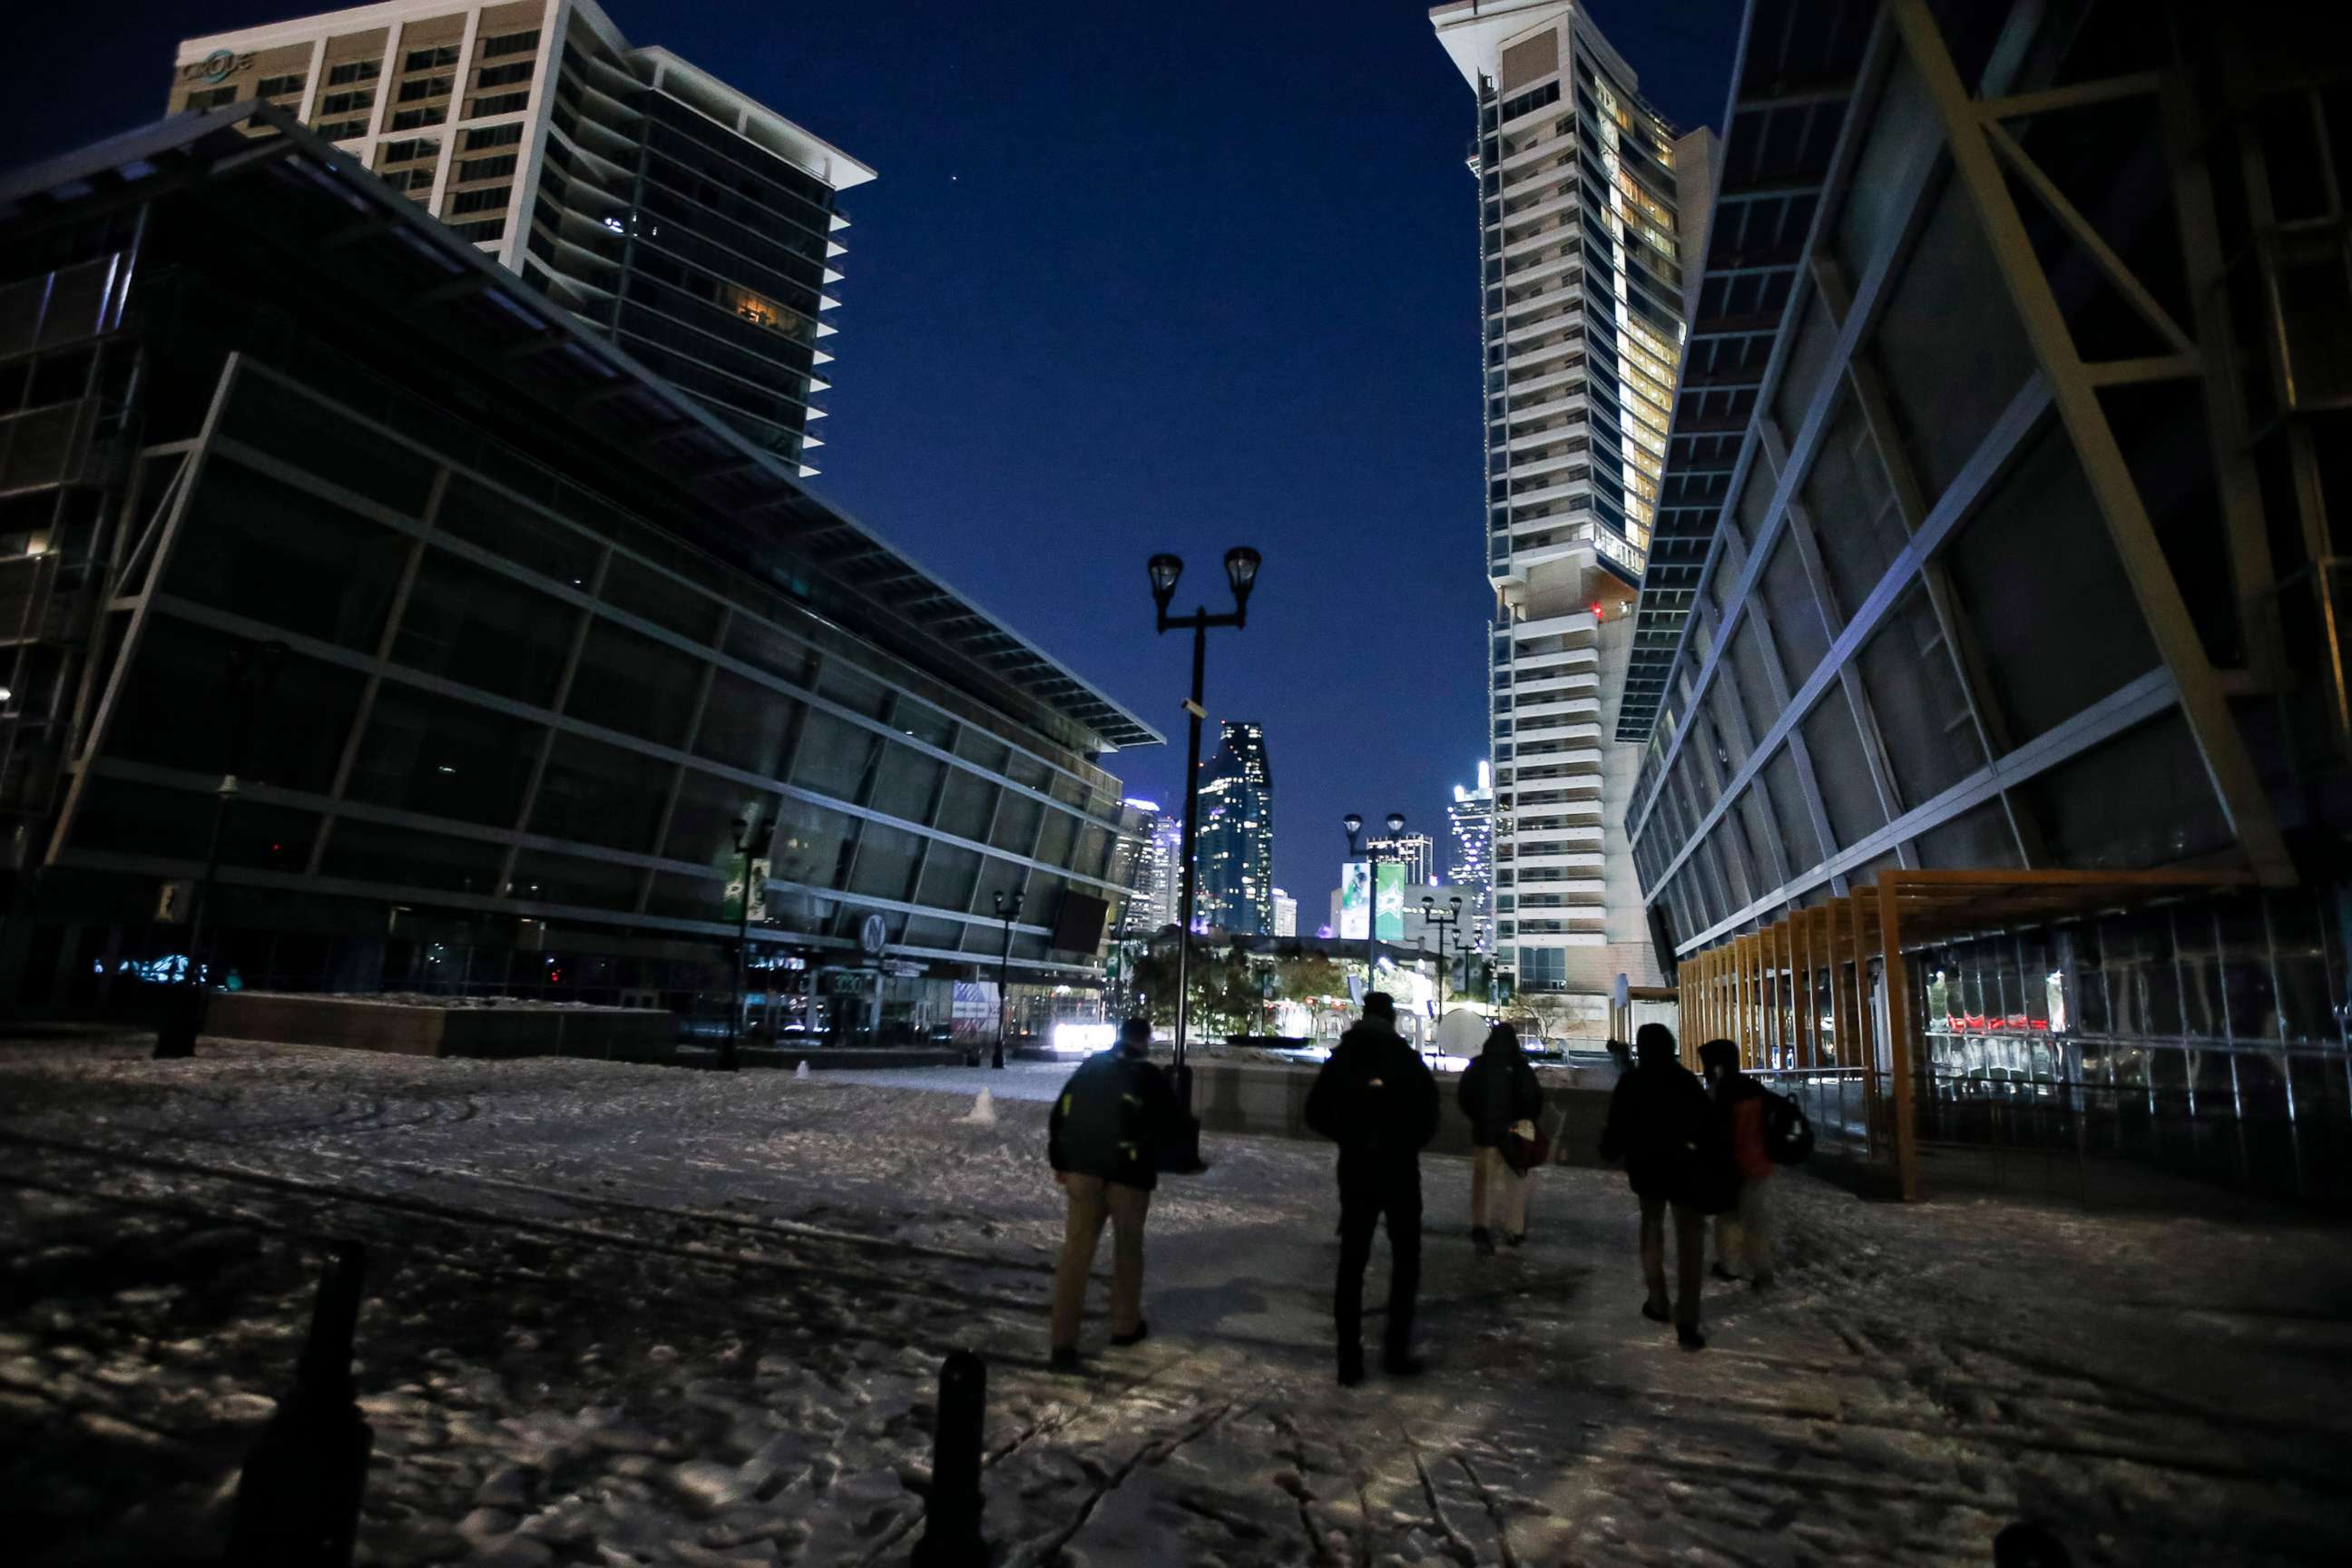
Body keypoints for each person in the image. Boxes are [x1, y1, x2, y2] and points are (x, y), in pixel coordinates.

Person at [1304, 991, 1439, 1387]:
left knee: (1352, 1264)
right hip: (1399, 1170)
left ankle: (1350, 1360)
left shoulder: (1344, 1058)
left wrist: (1351, 1137)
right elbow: (1430, 1112)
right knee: (1405, 1262)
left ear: (1364, 1015)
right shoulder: (1405, 1059)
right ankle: (1395, 1351)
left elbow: (1314, 1112)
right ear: (1392, 1017)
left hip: (1357, 1170)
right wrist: (1403, 1141)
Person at [1046, 1016, 1179, 1369]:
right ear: (1145, 1041)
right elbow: (1171, 1123)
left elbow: (1059, 1113)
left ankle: (1062, 1342)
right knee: (1128, 1247)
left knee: (1076, 1252)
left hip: (1081, 1169)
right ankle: (1124, 1325)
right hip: (1129, 1174)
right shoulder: (1147, 1075)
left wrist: (1060, 1161)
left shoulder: (1091, 1067)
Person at [1597, 1022, 1724, 1350]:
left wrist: (1610, 1150)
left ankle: (1657, 1299)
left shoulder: (1633, 1082)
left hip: (1647, 1168)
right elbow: (1708, 1127)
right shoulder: (1685, 1082)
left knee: (1651, 1229)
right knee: (1691, 1242)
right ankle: (1688, 1319)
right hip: (1685, 1168)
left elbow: (1617, 1125)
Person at [1456, 1022, 1544, 1253]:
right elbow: (1533, 1099)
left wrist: (1479, 1118)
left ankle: (1481, 1226)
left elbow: (1464, 1096)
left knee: (1484, 1183)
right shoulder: (1521, 1067)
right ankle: (1514, 1228)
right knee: (1515, 1182)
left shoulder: (1478, 1066)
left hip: (1486, 1133)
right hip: (1516, 1135)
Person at [1700, 1038, 1776, 1289]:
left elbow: (1712, 1132)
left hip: (1731, 1165)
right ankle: (1762, 1271)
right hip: (1760, 1163)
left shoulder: (1718, 1092)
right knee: (1757, 1220)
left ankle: (1730, 1266)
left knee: (1729, 1217)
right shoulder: (1755, 1087)